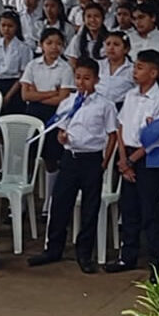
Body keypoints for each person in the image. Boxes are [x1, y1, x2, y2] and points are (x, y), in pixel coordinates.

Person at [28, 56, 118, 272]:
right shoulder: (68, 102)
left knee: (89, 209)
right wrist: (62, 137)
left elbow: (112, 135)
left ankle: (84, 254)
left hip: (92, 159)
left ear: (96, 79)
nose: (81, 82)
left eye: (87, 78)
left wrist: (104, 163)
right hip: (70, 158)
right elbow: (61, 127)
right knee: (60, 204)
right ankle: (53, 249)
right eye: (78, 77)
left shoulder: (105, 105)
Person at [107, 49, 159, 275]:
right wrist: (123, 158)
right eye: (135, 66)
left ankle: (157, 263)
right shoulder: (131, 95)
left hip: (148, 157)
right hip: (128, 153)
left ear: (154, 73)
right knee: (129, 208)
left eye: (140, 68)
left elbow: (157, 137)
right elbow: (122, 126)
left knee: (150, 209)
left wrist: (132, 161)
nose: (135, 71)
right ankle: (128, 256)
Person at [20, 28, 74, 212]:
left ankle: (49, 202)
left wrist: (38, 94)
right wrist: (52, 92)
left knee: (51, 159)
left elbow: (63, 98)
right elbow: (25, 94)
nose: (54, 47)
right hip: (33, 113)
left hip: (55, 114)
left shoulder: (65, 68)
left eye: (58, 43)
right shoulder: (33, 65)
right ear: (41, 45)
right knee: (29, 157)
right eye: (49, 43)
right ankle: (22, 203)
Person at [0, 10, 31, 116]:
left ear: (16, 27)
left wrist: (8, 95)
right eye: (3, 25)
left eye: (10, 26)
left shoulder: (23, 48)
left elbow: (23, 75)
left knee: (11, 115)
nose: (6, 29)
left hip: (14, 86)